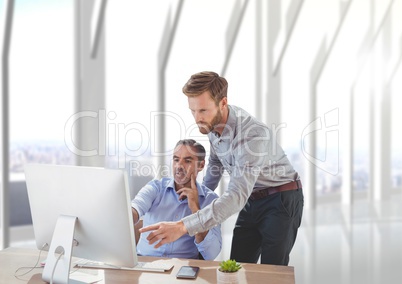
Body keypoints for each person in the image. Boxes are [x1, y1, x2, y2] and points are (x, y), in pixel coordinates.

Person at [140, 71, 304, 266]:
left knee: (272, 271)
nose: (197, 118)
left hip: (281, 199)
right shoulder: (212, 125)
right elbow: (216, 163)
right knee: (236, 265)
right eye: (192, 111)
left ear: (223, 103)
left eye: (202, 110)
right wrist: (200, 194)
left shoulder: (252, 136)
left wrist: (184, 226)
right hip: (251, 198)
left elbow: (235, 197)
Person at [131, 139, 221, 260]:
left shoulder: (211, 201)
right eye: (176, 159)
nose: (179, 166)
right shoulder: (156, 188)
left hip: (183, 268)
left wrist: (196, 210)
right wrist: (125, 217)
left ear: (200, 165)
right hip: (146, 264)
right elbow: (135, 208)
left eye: (187, 161)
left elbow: (211, 254)